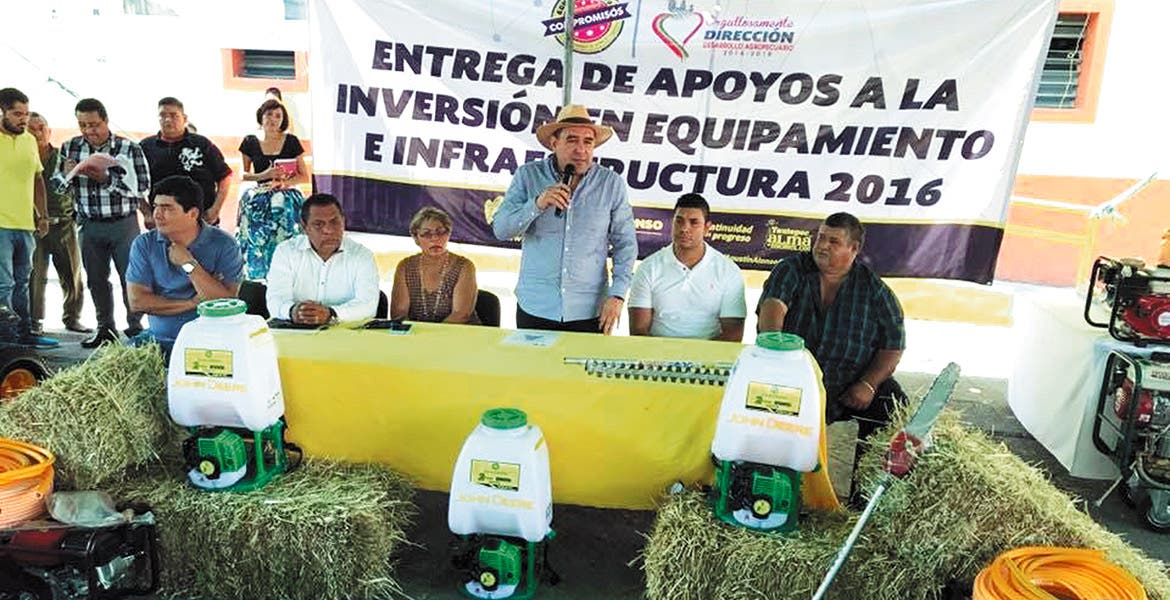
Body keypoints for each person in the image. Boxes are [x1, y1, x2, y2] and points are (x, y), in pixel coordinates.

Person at [756, 212, 906, 501]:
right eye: (821, 237)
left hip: (848, 386)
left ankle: (867, 499)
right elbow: (773, 306)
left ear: (854, 249)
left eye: (833, 241)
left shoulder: (874, 290)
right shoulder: (792, 268)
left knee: (892, 404)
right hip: (793, 380)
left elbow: (894, 344)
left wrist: (868, 384)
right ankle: (771, 494)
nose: (822, 245)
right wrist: (774, 352)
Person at [491, 104, 636, 334]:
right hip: (536, 306)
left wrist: (617, 295)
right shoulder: (528, 175)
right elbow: (501, 229)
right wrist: (537, 204)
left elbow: (625, 244)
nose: (581, 150)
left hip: (590, 310)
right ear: (554, 143)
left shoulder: (611, 184)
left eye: (588, 142)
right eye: (572, 140)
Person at [59, 97, 151, 348]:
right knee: (96, 279)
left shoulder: (128, 148)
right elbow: (58, 186)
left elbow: (141, 188)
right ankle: (105, 329)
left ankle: (135, 327)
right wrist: (67, 175)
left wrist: (105, 179)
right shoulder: (70, 147)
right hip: (89, 223)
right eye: (83, 125)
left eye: (94, 124)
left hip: (123, 223)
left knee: (130, 276)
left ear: (106, 121)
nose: (89, 131)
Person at [126, 176, 243, 353]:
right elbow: (137, 302)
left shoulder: (224, 244)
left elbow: (226, 304)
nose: (157, 214)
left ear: (193, 214)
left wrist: (189, 264)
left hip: (211, 345)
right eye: (156, 206)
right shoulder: (144, 244)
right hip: (158, 342)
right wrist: (193, 302)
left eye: (167, 208)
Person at [628, 193, 745, 341]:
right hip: (658, 352)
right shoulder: (648, 267)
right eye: (679, 221)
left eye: (694, 222)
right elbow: (638, 331)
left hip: (708, 353)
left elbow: (733, 335)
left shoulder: (728, 270)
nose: (684, 228)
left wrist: (697, 354)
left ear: (707, 228)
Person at [266, 194, 378, 325]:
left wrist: (331, 314)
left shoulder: (361, 256)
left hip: (345, 334)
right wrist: (293, 311)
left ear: (343, 222)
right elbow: (276, 299)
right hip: (296, 332)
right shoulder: (286, 252)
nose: (328, 230)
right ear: (304, 227)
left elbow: (368, 305)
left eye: (334, 222)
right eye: (318, 224)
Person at [0, 88, 55, 347]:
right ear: (2, 112)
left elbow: (37, 180)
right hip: (0, 225)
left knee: (23, 283)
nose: (23, 120)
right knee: (4, 284)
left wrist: (42, 215)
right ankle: (6, 340)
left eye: (26, 113)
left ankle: (24, 334)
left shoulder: (29, 141)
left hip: (25, 225)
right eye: (17, 114)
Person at [27, 112, 89, 335]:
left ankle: (72, 317)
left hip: (63, 223)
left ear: (49, 131)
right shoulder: (25, 159)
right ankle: (35, 321)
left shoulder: (63, 159)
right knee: (35, 276)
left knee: (72, 274)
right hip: (33, 225)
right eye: (32, 129)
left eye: (41, 128)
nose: (38, 133)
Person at [236, 98, 308, 280]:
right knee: (257, 241)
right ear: (261, 116)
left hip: (286, 196)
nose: (273, 119)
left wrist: (285, 184)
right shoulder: (250, 141)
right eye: (269, 114)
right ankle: (257, 277)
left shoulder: (291, 141)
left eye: (278, 116)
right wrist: (264, 175)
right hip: (260, 195)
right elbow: (243, 174)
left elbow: (304, 176)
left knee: (287, 237)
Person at [139, 97, 232, 225]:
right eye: (163, 116)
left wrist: (215, 209)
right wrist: (147, 213)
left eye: (174, 115)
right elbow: (132, 184)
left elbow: (225, 176)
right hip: (163, 221)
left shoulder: (202, 144)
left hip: (201, 219)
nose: (167, 120)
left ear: (184, 118)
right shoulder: (146, 147)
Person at [390, 207, 479, 324]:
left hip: (458, 332)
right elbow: (399, 313)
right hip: (416, 333)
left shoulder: (464, 266)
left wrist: (431, 335)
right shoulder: (405, 267)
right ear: (416, 238)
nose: (435, 238)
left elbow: (461, 314)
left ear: (449, 234)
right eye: (426, 234)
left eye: (440, 232)